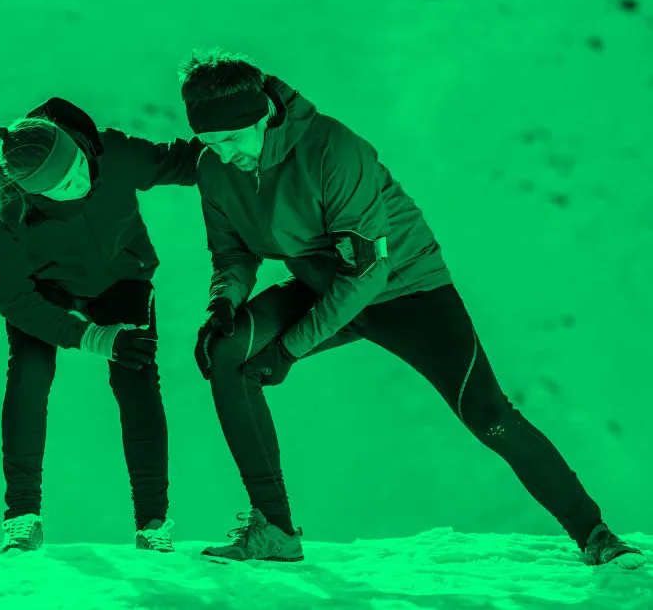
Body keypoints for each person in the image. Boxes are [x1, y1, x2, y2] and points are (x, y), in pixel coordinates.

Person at [179, 49, 646, 569]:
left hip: (406, 289)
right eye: (209, 143)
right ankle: (274, 531)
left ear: (263, 114)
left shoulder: (333, 148)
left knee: (489, 415)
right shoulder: (215, 169)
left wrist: (289, 348)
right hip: (322, 283)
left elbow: (367, 272)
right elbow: (232, 253)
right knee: (227, 352)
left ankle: (596, 535)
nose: (222, 154)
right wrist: (222, 304)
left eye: (231, 140)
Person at [0, 96, 203, 555]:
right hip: (45, 293)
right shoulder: (3, 214)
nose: (83, 179)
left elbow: (179, 161)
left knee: (138, 379)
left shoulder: (110, 153)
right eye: (64, 185)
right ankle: (22, 517)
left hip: (123, 277)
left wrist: (236, 148)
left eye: (78, 164)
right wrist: (91, 337)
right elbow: (16, 300)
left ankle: (153, 522)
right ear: (33, 193)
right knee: (28, 376)